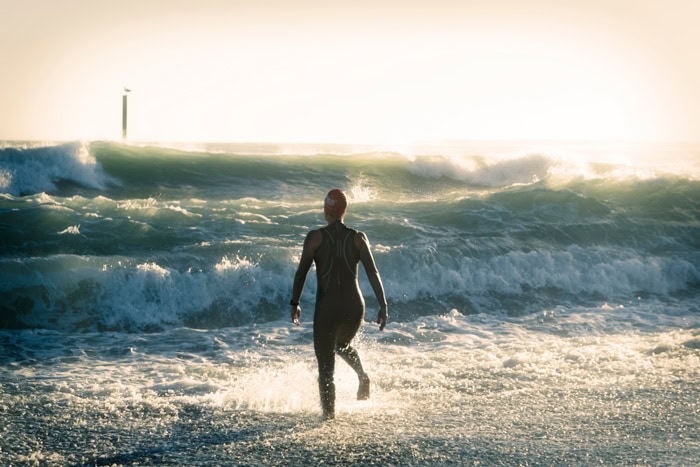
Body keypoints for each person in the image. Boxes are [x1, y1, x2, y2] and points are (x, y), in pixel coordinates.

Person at [290, 189, 388, 420]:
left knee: (326, 370)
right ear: (344, 211)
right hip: (355, 307)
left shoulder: (315, 237)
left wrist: (295, 302)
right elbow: (373, 272)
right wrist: (383, 304)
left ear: (326, 211)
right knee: (342, 343)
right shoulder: (358, 237)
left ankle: (329, 419)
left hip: (327, 308)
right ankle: (362, 376)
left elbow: (301, 273)